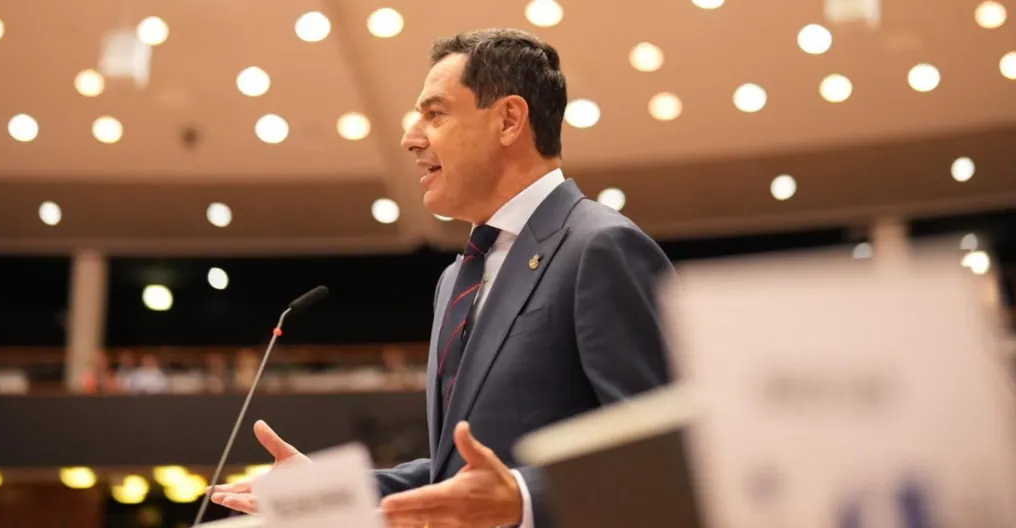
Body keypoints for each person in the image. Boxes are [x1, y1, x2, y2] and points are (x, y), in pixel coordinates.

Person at [211, 28, 675, 527]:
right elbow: (460, 473)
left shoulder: (599, 246)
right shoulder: (455, 278)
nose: (411, 138)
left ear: (509, 120)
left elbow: (668, 455)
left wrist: (523, 497)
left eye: (435, 114)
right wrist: (331, 491)